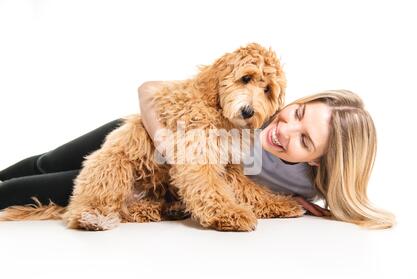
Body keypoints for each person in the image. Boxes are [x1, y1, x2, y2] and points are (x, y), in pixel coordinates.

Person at [0, 82, 395, 228]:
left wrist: (291, 205)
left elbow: (259, 193)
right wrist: (171, 146)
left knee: (28, 190)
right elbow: (149, 89)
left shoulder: (304, 187)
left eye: (304, 140)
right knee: (46, 161)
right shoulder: (257, 101)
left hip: (133, 181)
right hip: (129, 140)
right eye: (299, 112)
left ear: (317, 163)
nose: (284, 128)